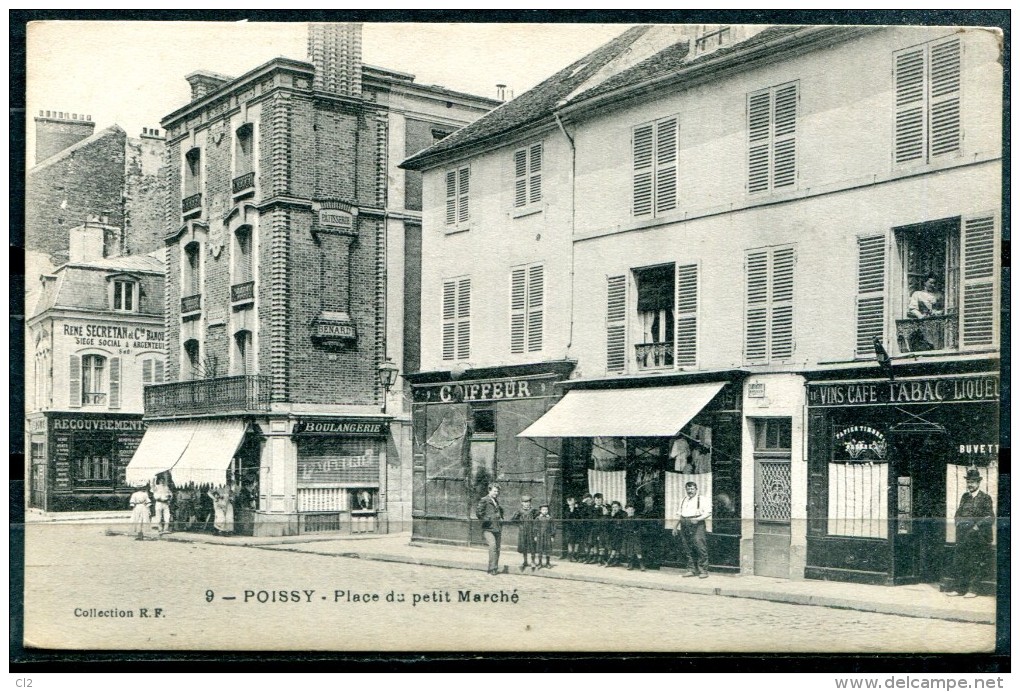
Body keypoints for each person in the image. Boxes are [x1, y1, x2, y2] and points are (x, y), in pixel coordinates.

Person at [946, 468, 995, 598]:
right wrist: (957, 522)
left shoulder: (985, 498)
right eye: (968, 481)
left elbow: (990, 517)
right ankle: (959, 589)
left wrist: (976, 527)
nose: (970, 484)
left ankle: (973, 590)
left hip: (977, 537)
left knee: (974, 562)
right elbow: (958, 513)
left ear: (978, 483)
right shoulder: (965, 497)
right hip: (962, 535)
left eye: (973, 482)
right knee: (960, 561)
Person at [672, 481, 712, 578]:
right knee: (687, 547)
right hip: (684, 523)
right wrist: (675, 527)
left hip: (697, 523)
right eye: (688, 489)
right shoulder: (683, 499)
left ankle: (703, 571)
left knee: (700, 546)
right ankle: (691, 569)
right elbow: (679, 514)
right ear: (686, 490)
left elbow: (708, 512)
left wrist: (697, 519)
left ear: (696, 489)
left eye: (692, 489)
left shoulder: (701, 499)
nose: (690, 491)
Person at [475, 484, 504, 575]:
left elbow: (498, 512)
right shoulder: (484, 500)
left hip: (497, 527)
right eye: (495, 491)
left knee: (497, 548)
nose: (496, 493)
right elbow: (479, 512)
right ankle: (492, 568)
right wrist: (487, 519)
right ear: (489, 491)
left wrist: (501, 518)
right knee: (492, 546)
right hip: (488, 528)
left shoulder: (496, 501)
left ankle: (493, 567)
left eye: (497, 491)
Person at [510, 495, 539, 571]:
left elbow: (538, 518)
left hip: (531, 531)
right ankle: (525, 561)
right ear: (521, 503)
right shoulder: (519, 511)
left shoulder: (533, 511)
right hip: (523, 531)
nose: (526, 504)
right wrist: (519, 525)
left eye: (528, 502)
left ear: (530, 503)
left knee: (532, 546)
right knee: (524, 546)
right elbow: (513, 520)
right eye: (525, 502)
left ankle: (533, 561)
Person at [621, 502, 646, 571]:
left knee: (638, 551)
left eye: (632, 510)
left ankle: (642, 565)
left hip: (635, 536)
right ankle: (630, 564)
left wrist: (637, 532)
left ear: (634, 510)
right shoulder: (624, 519)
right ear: (626, 510)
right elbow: (623, 528)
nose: (630, 511)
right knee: (630, 551)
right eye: (629, 510)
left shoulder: (637, 518)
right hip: (628, 537)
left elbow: (640, 527)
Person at [535, 503, 555, 569]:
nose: (545, 511)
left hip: (548, 536)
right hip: (540, 536)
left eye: (546, 510)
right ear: (540, 510)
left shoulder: (550, 518)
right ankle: (540, 563)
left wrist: (552, 536)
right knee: (540, 549)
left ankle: (548, 563)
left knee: (548, 549)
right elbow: (535, 527)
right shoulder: (538, 518)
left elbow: (553, 527)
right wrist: (535, 536)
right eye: (543, 510)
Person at [563, 496, 582, 561]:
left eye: (573, 501)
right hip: (569, 528)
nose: (572, 503)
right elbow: (567, 517)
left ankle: (575, 555)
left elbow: (579, 517)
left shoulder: (577, 509)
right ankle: (570, 556)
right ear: (568, 502)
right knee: (570, 542)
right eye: (570, 501)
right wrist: (571, 510)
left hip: (576, 528)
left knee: (576, 542)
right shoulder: (566, 509)